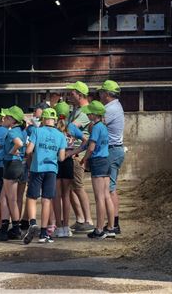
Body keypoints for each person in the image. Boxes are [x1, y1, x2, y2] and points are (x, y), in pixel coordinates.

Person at [23, 108, 66, 244]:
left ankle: (33, 222)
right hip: (51, 170)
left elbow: (29, 150)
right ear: (55, 120)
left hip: (37, 168)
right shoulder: (60, 135)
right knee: (47, 200)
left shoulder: (37, 131)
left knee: (31, 197)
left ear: (43, 119)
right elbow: (62, 157)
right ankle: (43, 233)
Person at [80, 101, 116, 239]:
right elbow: (88, 145)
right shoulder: (103, 126)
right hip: (106, 161)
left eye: (89, 112)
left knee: (99, 197)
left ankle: (99, 229)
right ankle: (111, 228)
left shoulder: (96, 127)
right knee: (106, 195)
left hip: (98, 162)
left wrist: (85, 160)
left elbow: (91, 148)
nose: (87, 114)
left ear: (94, 114)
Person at [0, 105, 26, 241]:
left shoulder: (12, 132)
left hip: (11, 164)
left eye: (6, 117)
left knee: (11, 199)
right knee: (3, 197)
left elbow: (19, 144)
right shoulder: (20, 130)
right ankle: (4, 228)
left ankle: (16, 228)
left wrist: (11, 152)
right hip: (16, 165)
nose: (3, 119)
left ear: (12, 120)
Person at [53, 102, 87, 238]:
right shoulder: (71, 127)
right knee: (66, 196)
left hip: (55, 162)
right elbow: (85, 141)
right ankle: (66, 227)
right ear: (68, 113)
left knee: (56, 196)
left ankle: (58, 226)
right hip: (67, 161)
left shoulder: (53, 129)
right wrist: (73, 152)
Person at [66, 81, 95, 232]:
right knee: (71, 188)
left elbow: (71, 128)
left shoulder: (84, 112)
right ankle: (80, 219)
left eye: (72, 93)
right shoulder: (74, 111)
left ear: (80, 95)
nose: (69, 96)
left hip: (78, 154)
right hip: (72, 153)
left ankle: (88, 220)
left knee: (78, 187)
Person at [98, 80, 125, 234]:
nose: (100, 94)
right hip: (115, 149)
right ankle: (113, 222)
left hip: (112, 150)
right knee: (110, 188)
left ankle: (113, 224)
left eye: (102, 92)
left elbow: (96, 125)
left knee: (110, 189)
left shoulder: (110, 109)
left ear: (107, 94)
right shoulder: (115, 106)